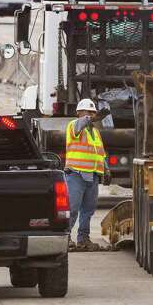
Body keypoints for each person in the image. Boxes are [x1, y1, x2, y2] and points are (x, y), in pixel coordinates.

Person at [64, 99, 107, 250]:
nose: (89, 115)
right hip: (76, 174)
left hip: (92, 176)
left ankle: (83, 238)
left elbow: (100, 152)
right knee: (72, 208)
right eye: (86, 112)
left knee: (88, 210)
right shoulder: (74, 126)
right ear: (78, 113)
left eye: (92, 112)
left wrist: (105, 169)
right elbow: (81, 123)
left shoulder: (95, 132)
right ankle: (66, 238)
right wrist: (89, 119)